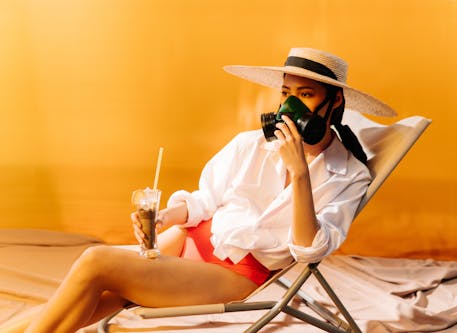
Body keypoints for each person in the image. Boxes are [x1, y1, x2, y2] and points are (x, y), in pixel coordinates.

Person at [25, 47, 395, 333]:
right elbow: (205, 202)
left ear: (335, 100)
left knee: (96, 262)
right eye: (285, 92)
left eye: (306, 94)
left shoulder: (348, 175)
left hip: (235, 274)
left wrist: (300, 174)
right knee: (87, 294)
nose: (290, 105)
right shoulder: (249, 145)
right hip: (188, 239)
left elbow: (309, 250)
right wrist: (166, 217)